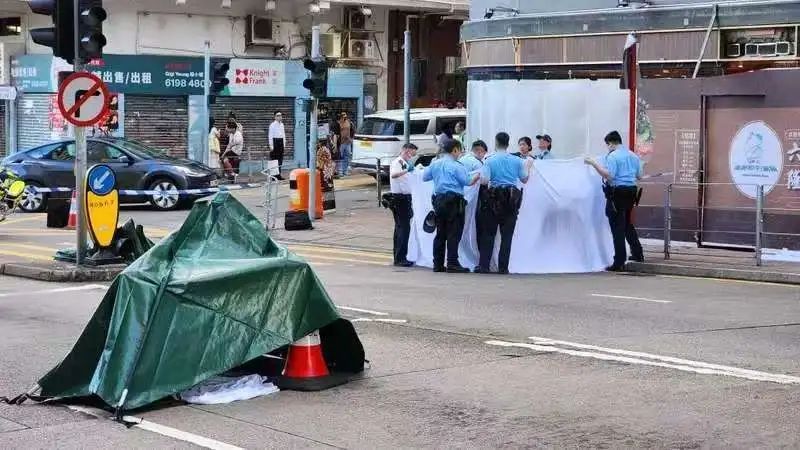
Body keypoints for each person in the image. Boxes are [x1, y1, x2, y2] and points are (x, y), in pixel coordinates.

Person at [585, 130, 644, 271]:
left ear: (611, 143)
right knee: (627, 224)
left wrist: (594, 164)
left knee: (617, 227)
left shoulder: (612, 156)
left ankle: (619, 261)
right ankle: (637, 253)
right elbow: (640, 175)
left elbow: (609, 176)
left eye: (607, 145)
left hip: (617, 193)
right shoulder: (633, 155)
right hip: (631, 192)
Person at [478, 132, 532, 275]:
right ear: (508, 144)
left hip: (493, 198)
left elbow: (484, 180)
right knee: (506, 236)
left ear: (496, 143)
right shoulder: (517, 161)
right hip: (511, 199)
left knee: (488, 234)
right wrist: (529, 166)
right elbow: (524, 179)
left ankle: (484, 266)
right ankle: (503, 268)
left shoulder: (489, 160)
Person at [423, 139, 480, 273]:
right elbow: (467, 181)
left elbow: (424, 177)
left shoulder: (435, 163)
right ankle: (452, 263)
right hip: (454, 201)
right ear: (454, 150)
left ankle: (437, 264)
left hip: (439, 200)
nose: (460, 153)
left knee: (440, 233)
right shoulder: (457, 166)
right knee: (454, 233)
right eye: (459, 150)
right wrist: (477, 176)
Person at [389, 143, 419, 267]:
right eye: (411, 153)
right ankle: (400, 257)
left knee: (400, 227)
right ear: (406, 151)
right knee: (403, 228)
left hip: (404, 197)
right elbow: (394, 174)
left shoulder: (404, 162)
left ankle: (399, 256)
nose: (411, 156)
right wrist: (407, 170)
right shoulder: (398, 162)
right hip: (400, 198)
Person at [333, 111, 354, 177]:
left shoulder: (349, 122)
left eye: (345, 116)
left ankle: (345, 171)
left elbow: (352, 130)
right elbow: (336, 134)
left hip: (347, 143)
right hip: (341, 143)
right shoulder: (338, 123)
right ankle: (340, 171)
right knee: (340, 158)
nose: (344, 118)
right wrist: (335, 144)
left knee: (347, 157)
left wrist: (351, 139)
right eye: (343, 116)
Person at [268, 111, 286, 180]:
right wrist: (271, 145)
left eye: (280, 115)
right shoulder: (272, 125)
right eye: (278, 115)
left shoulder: (282, 125)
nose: (280, 117)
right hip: (275, 142)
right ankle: (273, 176)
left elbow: (283, 135)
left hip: (281, 142)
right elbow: (270, 136)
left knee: (280, 160)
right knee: (274, 160)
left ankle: (278, 175)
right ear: (275, 117)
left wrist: (284, 144)